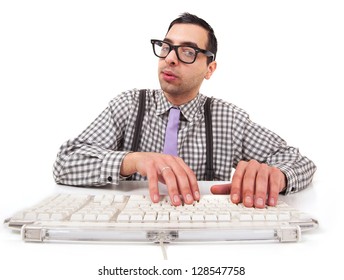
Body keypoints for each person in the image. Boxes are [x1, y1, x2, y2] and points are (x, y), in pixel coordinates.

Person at [53, 13, 316, 208]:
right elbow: (65, 163)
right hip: (131, 228)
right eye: (166, 47)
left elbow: (299, 161)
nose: (170, 58)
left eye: (187, 52)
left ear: (209, 69)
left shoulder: (229, 119)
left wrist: (278, 176)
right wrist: (132, 160)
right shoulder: (128, 105)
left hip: (203, 236)